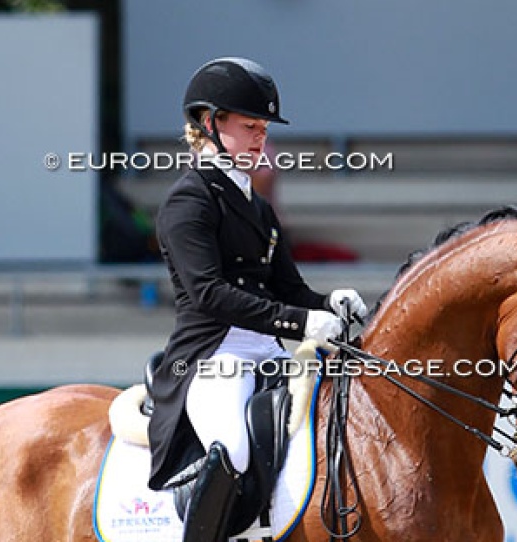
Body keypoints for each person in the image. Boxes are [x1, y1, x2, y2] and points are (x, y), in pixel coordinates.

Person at [146, 57, 369, 541]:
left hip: (268, 354)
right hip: (212, 357)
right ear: (210, 123)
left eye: (263, 128)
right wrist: (300, 325)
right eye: (249, 125)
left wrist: (329, 304)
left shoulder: (260, 207)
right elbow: (210, 295)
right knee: (233, 449)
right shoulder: (189, 201)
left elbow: (289, 291)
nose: (259, 137)